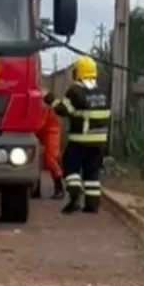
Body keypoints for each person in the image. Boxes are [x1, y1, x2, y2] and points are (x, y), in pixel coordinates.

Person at [42, 55, 110, 214]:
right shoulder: (102, 92)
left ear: (78, 72)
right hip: (100, 141)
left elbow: (64, 110)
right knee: (92, 172)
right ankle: (92, 204)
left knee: (71, 167)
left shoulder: (75, 91)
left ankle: (75, 194)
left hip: (80, 140)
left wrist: (48, 97)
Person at [32, 105, 65, 200]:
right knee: (35, 159)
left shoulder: (43, 105)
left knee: (50, 159)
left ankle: (59, 188)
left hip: (50, 131)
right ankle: (36, 190)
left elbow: (40, 123)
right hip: (40, 130)